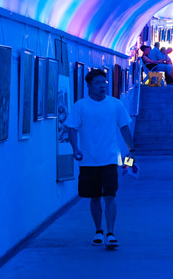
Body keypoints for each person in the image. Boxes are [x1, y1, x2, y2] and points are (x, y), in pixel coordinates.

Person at [65, 69, 135, 248]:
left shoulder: (115, 104)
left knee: (110, 195)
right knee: (94, 197)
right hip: (89, 159)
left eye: (104, 82)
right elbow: (72, 128)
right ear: (89, 85)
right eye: (97, 83)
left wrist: (131, 150)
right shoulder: (81, 106)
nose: (102, 85)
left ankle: (111, 233)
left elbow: (124, 128)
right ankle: (98, 231)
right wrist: (75, 149)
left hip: (110, 158)